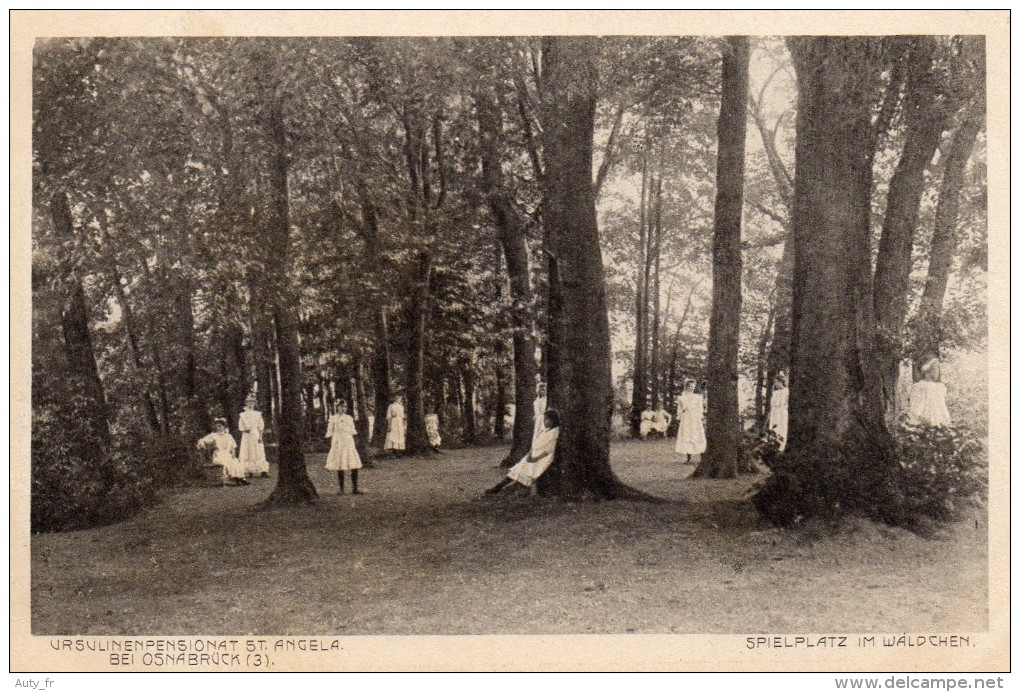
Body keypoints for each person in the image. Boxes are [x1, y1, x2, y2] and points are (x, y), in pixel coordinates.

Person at [485, 409, 560, 495]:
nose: (544, 422)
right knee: (517, 470)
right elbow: (536, 444)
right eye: (544, 419)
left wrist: (535, 458)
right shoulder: (546, 431)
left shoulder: (555, 432)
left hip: (542, 458)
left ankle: (507, 489)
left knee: (524, 472)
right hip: (533, 455)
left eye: (546, 419)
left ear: (553, 420)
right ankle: (498, 488)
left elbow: (550, 449)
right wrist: (530, 454)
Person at [325, 400, 363, 494]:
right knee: (340, 464)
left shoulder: (349, 418)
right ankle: (342, 489)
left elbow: (352, 430)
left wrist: (353, 438)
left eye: (345, 406)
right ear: (337, 407)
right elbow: (330, 431)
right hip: (338, 441)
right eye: (341, 406)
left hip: (348, 441)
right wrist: (332, 440)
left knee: (353, 463)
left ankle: (355, 488)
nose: (343, 408)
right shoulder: (333, 418)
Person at [197, 418, 249, 486]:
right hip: (219, 455)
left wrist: (233, 454)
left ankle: (240, 479)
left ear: (224, 426)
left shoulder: (229, 436)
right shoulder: (213, 435)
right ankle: (228, 480)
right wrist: (202, 444)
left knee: (235, 461)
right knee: (226, 462)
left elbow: (233, 447)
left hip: (227, 454)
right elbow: (203, 440)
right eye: (217, 426)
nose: (219, 427)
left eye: (220, 426)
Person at [909, 358, 952, 427]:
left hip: (939, 420)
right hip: (924, 420)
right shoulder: (919, 387)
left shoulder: (939, 387)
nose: (938, 372)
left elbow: (941, 406)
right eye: (935, 370)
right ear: (927, 371)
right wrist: (922, 418)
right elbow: (916, 406)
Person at [675, 379, 706, 463]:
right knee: (687, 435)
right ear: (686, 387)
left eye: (693, 386)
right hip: (686, 418)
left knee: (696, 435)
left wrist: (700, 417)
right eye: (689, 386)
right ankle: (688, 458)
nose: (691, 388)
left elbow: (700, 408)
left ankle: (702, 456)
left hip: (695, 418)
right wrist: (680, 416)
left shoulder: (697, 397)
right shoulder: (681, 397)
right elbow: (679, 409)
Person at [238, 398, 269, 478]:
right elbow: (240, 427)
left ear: (254, 404)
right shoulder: (242, 415)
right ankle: (249, 471)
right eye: (249, 402)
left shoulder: (258, 414)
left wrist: (260, 437)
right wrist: (245, 429)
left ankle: (263, 471)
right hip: (247, 436)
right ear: (246, 403)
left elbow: (261, 427)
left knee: (259, 451)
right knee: (248, 452)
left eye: (252, 402)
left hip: (255, 434)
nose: (250, 404)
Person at [769, 374, 789, 451]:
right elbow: (772, 404)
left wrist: (784, 408)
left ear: (780, 381)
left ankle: (782, 446)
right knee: (774, 428)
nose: (775, 384)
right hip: (775, 412)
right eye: (774, 382)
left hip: (783, 412)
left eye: (776, 382)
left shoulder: (787, 391)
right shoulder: (775, 393)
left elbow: (787, 402)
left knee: (782, 428)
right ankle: (774, 446)